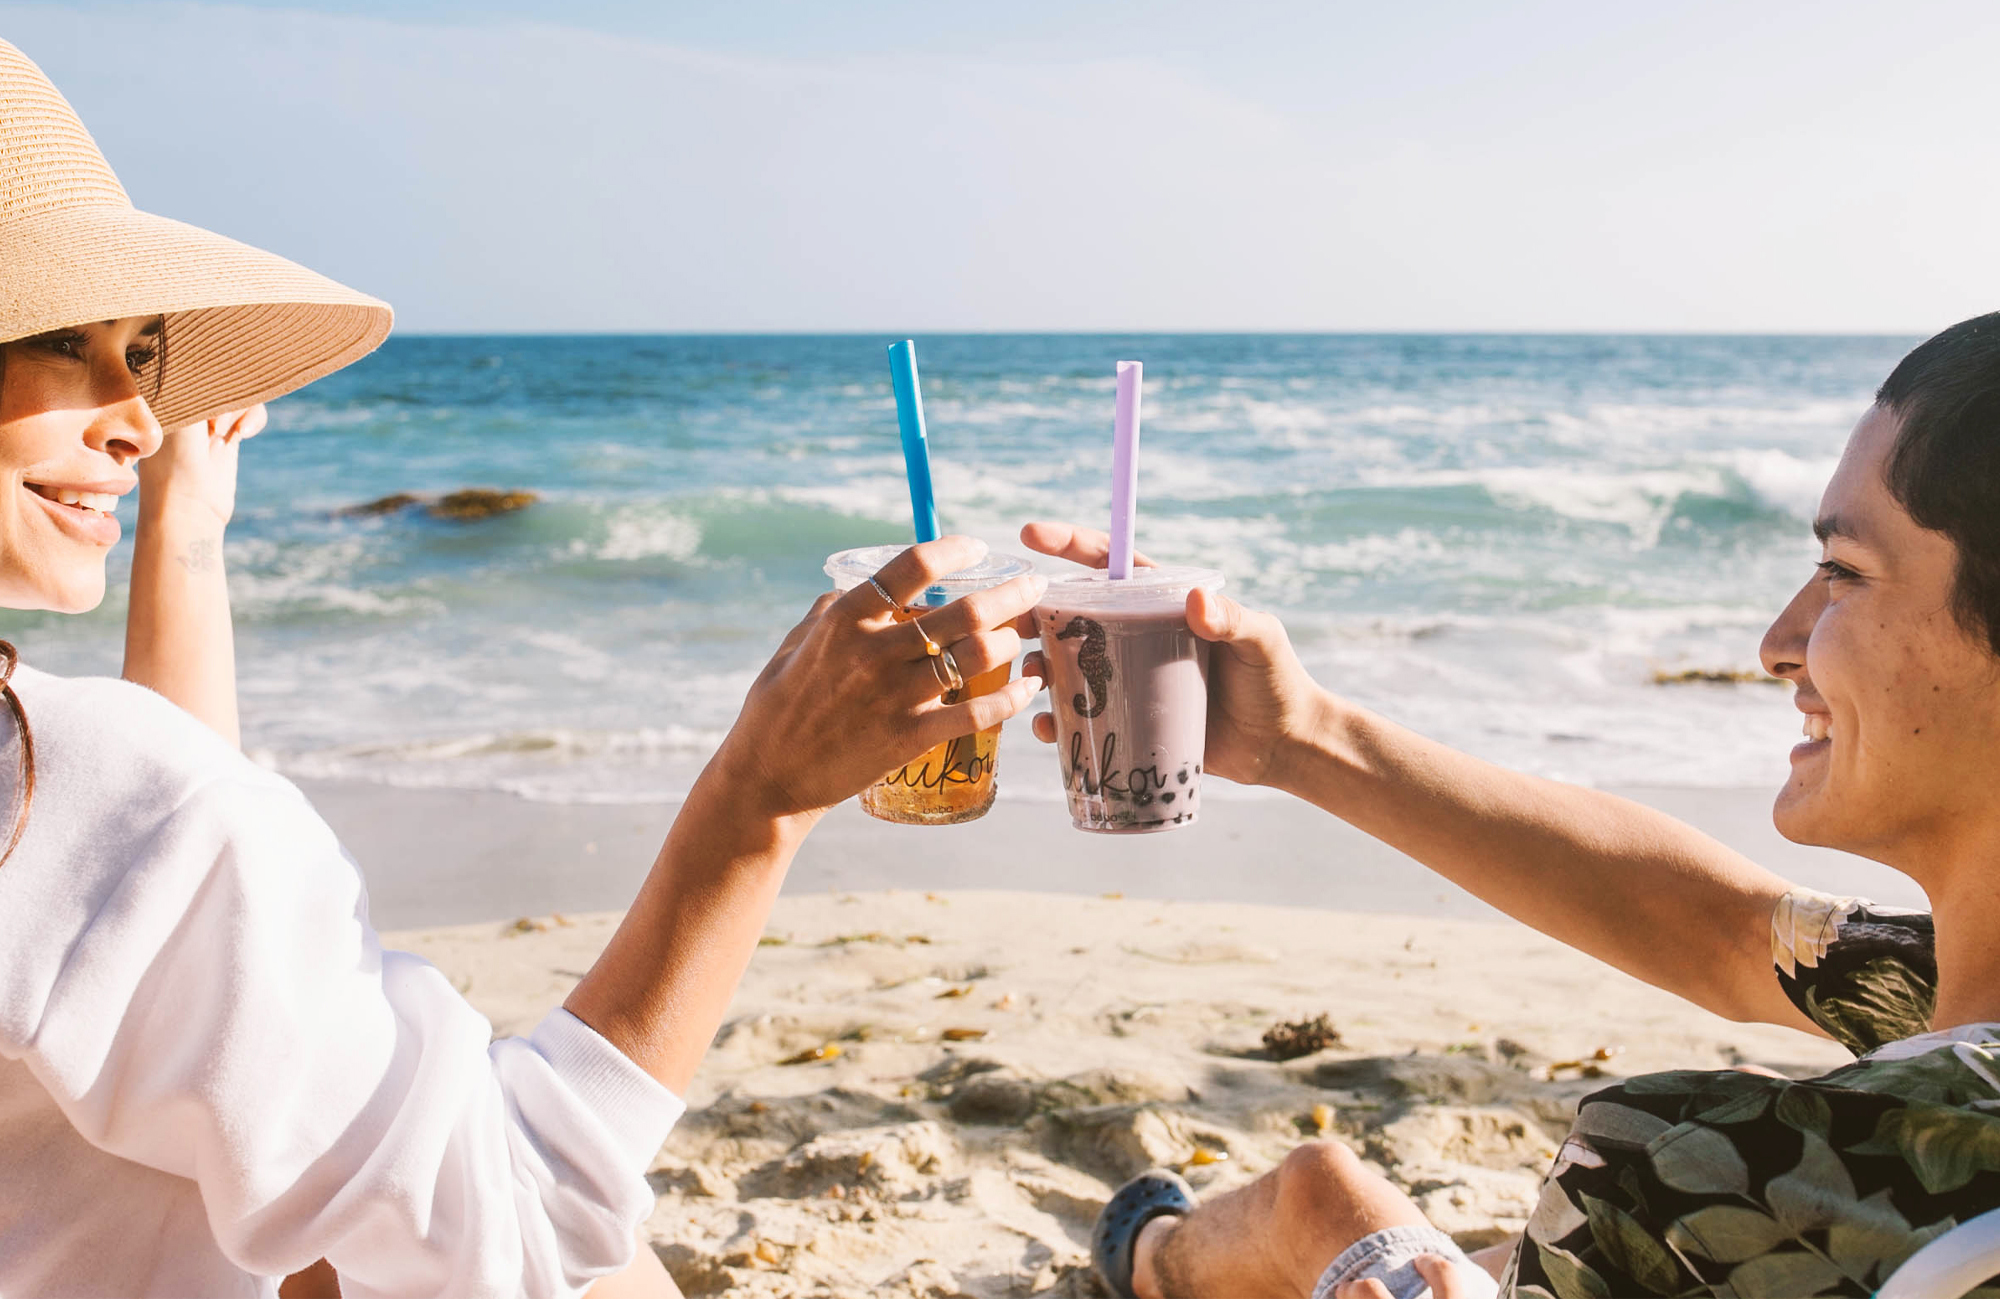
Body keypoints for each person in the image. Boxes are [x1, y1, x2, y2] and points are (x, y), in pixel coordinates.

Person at [0, 38, 1046, 1295]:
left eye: (143, 354)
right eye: (65, 339)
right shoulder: (87, 798)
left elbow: (146, 940)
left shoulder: (87, 802)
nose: (141, 416)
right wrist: (758, 802)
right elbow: (520, 1235)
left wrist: (184, 538)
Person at [1041, 312, 2000, 1299]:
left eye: (1841, 572)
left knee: (1321, 1201)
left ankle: (1152, 1267)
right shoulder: (1936, 1021)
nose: (1776, 639)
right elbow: (1720, 931)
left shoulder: (1678, 1172)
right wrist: (1294, 741)